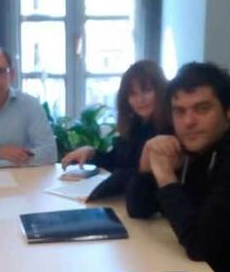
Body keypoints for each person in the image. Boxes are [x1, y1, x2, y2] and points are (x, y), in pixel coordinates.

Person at [125, 62, 230, 272]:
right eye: (179, 111)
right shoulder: (186, 130)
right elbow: (138, 209)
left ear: (228, 110)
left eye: (202, 108)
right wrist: (146, 164)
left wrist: (165, 177)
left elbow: (201, 245)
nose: (189, 121)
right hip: (199, 270)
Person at [60, 60, 168, 197]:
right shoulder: (135, 124)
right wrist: (91, 153)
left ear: (160, 90)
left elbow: (136, 174)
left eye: (146, 91)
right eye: (133, 94)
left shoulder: (168, 131)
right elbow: (116, 162)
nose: (140, 99)